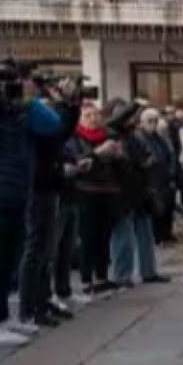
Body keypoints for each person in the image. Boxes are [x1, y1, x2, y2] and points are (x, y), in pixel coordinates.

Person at [0, 74, 77, 345]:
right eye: (7, 81)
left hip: (18, 192)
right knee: (0, 260)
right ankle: (1, 319)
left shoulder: (19, 112)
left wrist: (60, 102)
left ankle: (7, 317)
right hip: (0, 193)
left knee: (9, 259)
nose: (14, 87)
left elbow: (55, 128)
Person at [67, 102, 127, 296]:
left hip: (108, 191)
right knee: (87, 237)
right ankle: (86, 280)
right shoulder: (73, 136)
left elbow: (123, 166)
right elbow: (74, 162)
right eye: (87, 115)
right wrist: (97, 152)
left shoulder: (109, 135)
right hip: (85, 192)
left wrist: (119, 156)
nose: (93, 119)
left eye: (96, 115)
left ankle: (102, 277)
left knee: (104, 236)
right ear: (79, 119)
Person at [110, 107, 169, 287]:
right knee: (124, 235)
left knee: (145, 233)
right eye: (128, 117)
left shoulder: (134, 137)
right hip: (124, 190)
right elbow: (126, 160)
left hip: (140, 188)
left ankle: (148, 271)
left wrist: (145, 161)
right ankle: (122, 274)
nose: (131, 121)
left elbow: (147, 155)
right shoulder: (114, 134)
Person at [149, 112, 181, 246]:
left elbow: (173, 158)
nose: (164, 132)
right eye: (162, 130)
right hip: (158, 179)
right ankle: (159, 236)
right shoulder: (153, 141)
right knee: (160, 209)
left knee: (169, 208)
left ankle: (167, 233)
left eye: (165, 130)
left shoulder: (166, 141)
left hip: (169, 177)